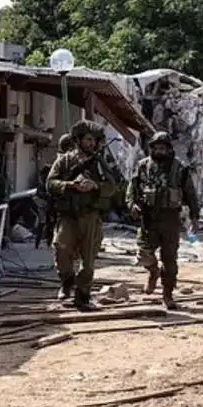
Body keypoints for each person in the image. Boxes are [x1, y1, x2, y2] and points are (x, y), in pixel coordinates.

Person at [46, 121, 117, 310]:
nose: (91, 143)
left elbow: (112, 187)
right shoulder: (65, 161)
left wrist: (95, 186)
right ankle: (67, 280)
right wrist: (69, 186)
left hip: (90, 216)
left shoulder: (100, 163)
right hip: (68, 216)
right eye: (87, 139)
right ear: (78, 140)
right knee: (61, 248)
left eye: (93, 140)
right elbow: (50, 183)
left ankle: (83, 295)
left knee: (88, 260)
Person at [126, 131, 200, 310]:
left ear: (168, 149)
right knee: (143, 254)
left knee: (169, 260)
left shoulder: (179, 168)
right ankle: (153, 272)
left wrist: (194, 216)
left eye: (163, 148)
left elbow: (190, 193)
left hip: (170, 219)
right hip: (148, 218)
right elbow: (131, 190)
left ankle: (167, 295)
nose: (159, 151)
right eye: (156, 148)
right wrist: (132, 205)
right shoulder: (143, 166)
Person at [35, 134, 75, 250]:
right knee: (53, 225)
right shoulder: (61, 163)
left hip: (57, 201)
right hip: (55, 201)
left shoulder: (62, 162)